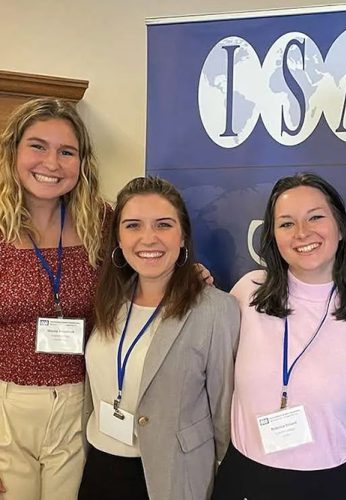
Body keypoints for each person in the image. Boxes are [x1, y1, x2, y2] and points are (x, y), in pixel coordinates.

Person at [212, 173, 346, 500]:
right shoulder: (246, 293)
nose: (302, 233)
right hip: (247, 478)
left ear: (339, 227)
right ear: (273, 236)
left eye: (316, 217)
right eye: (286, 223)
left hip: (336, 484)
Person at [78, 176, 240, 500]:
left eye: (163, 225)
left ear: (182, 237)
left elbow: (225, 416)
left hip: (172, 477)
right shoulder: (107, 299)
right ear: (119, 240)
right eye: (133, 226)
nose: (148, 239)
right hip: (99, 468)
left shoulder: (215, 310)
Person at [0, 98, 109, 500]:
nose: (52, 162)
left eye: (67, 152)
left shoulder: (101, 222)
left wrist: (191, 273)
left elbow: (150, 257)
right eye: (37, 146)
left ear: (82, 162)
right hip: (6, 406)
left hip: (79, 402)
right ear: (13, 151)